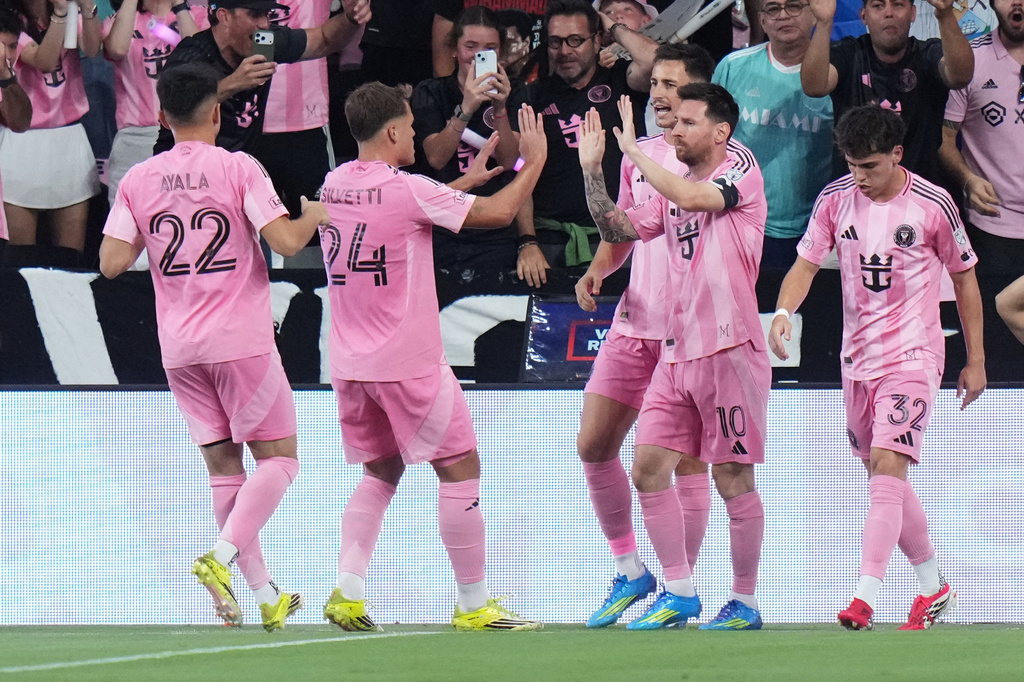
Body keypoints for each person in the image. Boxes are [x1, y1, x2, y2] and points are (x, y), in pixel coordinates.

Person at [98, 63, 331, 632]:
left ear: (160, 117)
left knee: (225, 471)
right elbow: (284, 240)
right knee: (279, 460)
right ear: (217, 111)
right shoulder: (237, 166)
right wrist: (315, 216)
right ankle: (220, 557)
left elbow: (109, 265)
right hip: (239, 340)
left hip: (179, 348)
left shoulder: (138, 179)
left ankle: (264, 593)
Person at [318, 82, 547, 632]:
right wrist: (531, 163)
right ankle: (474, 604)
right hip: (409, 361)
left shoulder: (334, 183)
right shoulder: (406, 189)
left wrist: (464, 184)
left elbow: (406, 208)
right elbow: (496, 214)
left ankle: (348, 592)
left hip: (350, 363)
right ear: (394, 131)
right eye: (411, 126)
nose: (417, 133)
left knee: (380, 471)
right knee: (460, 469)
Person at [768, 104, 985, 631]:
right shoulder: (834, 200)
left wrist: (976, 359)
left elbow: (964, 280)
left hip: (914, 355)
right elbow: (804, 263)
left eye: (870, 166)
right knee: (883, 476)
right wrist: (781, 312)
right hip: (856, 360)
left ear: (897, 154)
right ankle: (934, 589)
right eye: (852, 166)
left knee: (888, 467)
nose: (860, 177)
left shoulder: (934, 205)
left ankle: (865, 596)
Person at [581, 84, 771, 630]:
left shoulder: (740, 170)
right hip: (676, 350)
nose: (674, 131)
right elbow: (621, 230)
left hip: (730, 348)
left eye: (687, 122)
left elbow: (694, 201)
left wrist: (638, 155)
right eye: (672, 122)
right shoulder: (672, 186)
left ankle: (744, 601)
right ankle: (680, 593)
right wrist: (595, 173)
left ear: (720, 131)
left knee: (732, 477)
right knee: (646, 470)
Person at [573, 42, 717, 628]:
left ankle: (678, 587)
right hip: (634, 322)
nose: (657, 93)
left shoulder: (722, 161)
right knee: (592, 446)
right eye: (654, 83)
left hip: (689, 336)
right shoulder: (640, 155)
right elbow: (627, 227)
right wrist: (597, 269)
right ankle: (632, 571)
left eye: (671, 84)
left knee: (686, 467)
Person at [508, 0, 657, 271]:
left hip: (619, 236)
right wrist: (527, 242)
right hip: (549, 240)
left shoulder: (622, 80)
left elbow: (654, 60)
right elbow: (520, 173)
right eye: (555, 42)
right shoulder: (531, 96)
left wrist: (610, 23)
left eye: (576, 40)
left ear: (597, 40)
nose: (565, 51)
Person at [152, 0, 370, 156]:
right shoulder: (191, 55)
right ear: (224, 16)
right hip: (180, 170)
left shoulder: (264, 42)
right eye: (254, 15)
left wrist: (350, 18)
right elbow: (178, 109)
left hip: (233, 168)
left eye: (266, 15)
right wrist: (233, 83)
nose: (264, 24)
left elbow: (323, 40)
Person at [801, 0, 974, 190]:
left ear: (913, 13)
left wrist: (945, 13)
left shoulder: (928, 53)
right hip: (855, 196)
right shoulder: (849, 53)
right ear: (863, 16)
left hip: (918, 199)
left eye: (898, 4)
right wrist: (824, 23)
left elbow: (961, 77)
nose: (888, 13)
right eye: (878, 6)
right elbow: (814, 87)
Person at [713, 0, 834, 270]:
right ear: (762, 20)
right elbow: (709, 143)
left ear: (814, 15)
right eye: (772, 9)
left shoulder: (836, 72)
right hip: (741, 223)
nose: (783, 16)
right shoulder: (732, 67)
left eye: (793, 6)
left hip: (817, 229)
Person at [939, 0, 1024, 379]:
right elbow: (944, 138)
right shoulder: (970, 62)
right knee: (1000, 354)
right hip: (993, 232)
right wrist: (968, 178)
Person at [411, 6, 522, 272]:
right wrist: (467, 108)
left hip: (496, 230)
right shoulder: (431, 91)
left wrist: (499, 109)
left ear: (501, 53)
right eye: (470, 46)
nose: (478, 56)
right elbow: (436, 158)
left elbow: (509, 161)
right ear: (454, 49)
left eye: (490, 48)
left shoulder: (515, 93)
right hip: (443, 229)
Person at [0, 0, 101, 264]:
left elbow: (92, 50)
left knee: (70, 258)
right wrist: (59, 14)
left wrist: (87, 8)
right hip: (22, 140)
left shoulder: (71, 14)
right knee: (20, 259)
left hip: (69, 139)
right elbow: (44, 60)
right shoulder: (11, 22)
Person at [102, 0, 205, 205]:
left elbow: (200, 57)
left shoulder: (197, 15)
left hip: (185, 133)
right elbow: (117, 50)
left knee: (184, 215)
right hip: (135, 137)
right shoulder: (119, 20)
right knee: (127, 221)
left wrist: (180, 6)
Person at [0, 5, 33, 250]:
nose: (9, 55)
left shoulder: (5, 80)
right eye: (2, 46)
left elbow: (21, 122)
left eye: (12, 47)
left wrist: (7, 78)